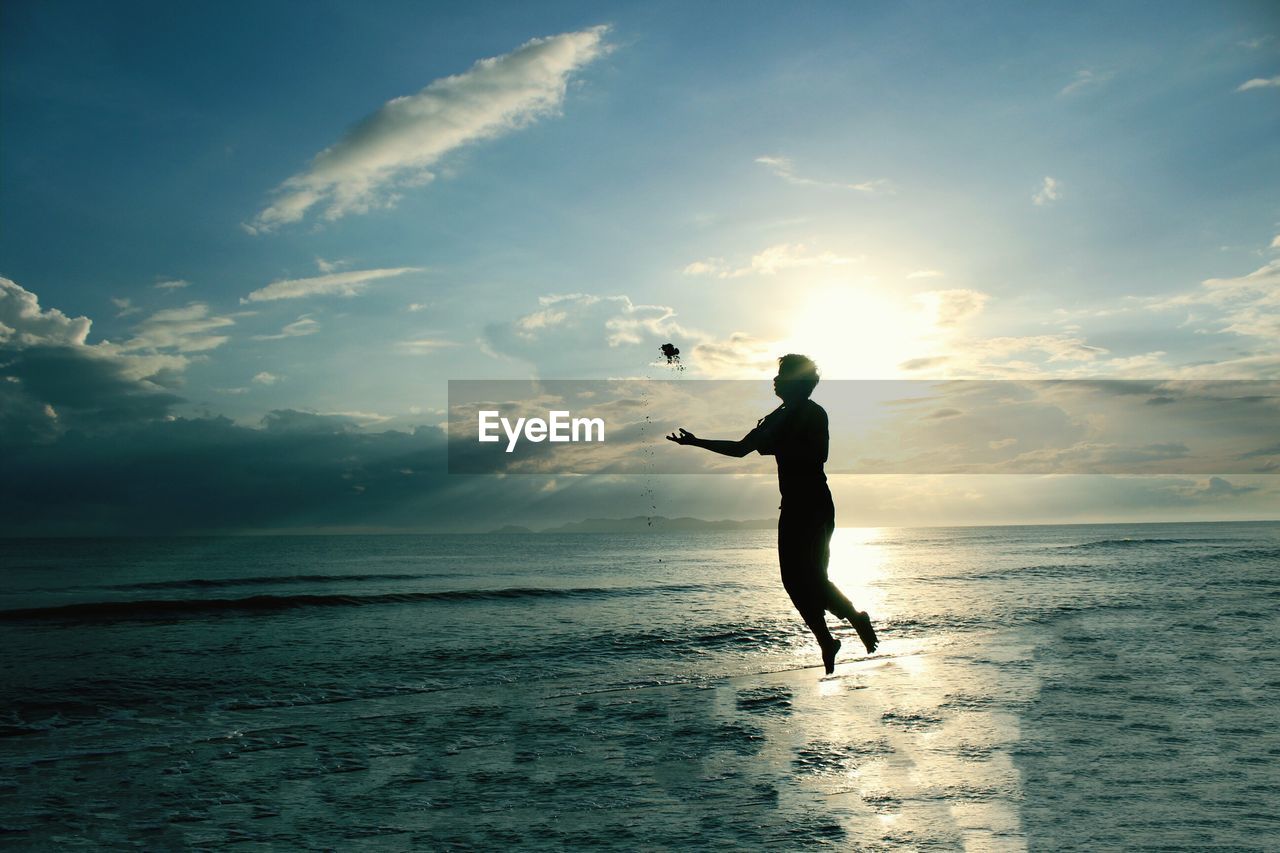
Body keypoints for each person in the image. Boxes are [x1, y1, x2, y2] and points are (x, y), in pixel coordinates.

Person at [666, 354, 878, 674]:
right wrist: (696, 443)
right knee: (794, 583)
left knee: (813, 580)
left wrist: (782, 442)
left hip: (814, 504)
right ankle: (827, 639)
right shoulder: (774, 417)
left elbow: (820, 454)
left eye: (781, 375)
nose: (775, 380)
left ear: (798, 381)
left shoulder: (812, 413)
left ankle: (853, 619)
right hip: (792, 506)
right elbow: (740, 449)